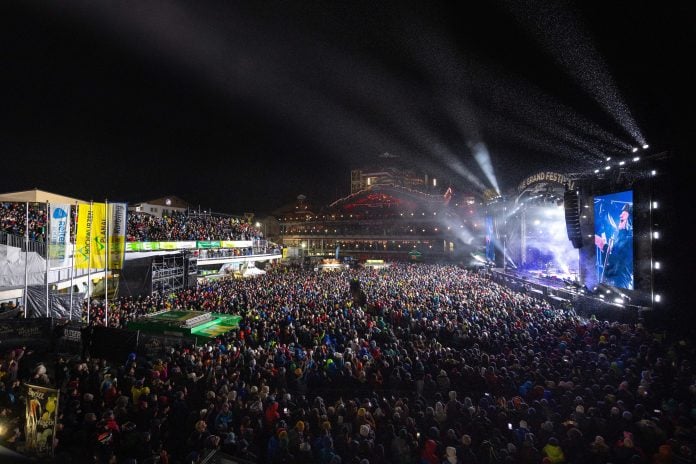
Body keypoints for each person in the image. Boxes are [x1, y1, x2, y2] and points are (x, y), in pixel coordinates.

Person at [595, 203, 633, 289]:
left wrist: (603, 246)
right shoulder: (621, 235)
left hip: (619, 281)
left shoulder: (630, 239)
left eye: (623, 220)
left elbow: (619, 258)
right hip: (610, 278)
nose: (620, 217)